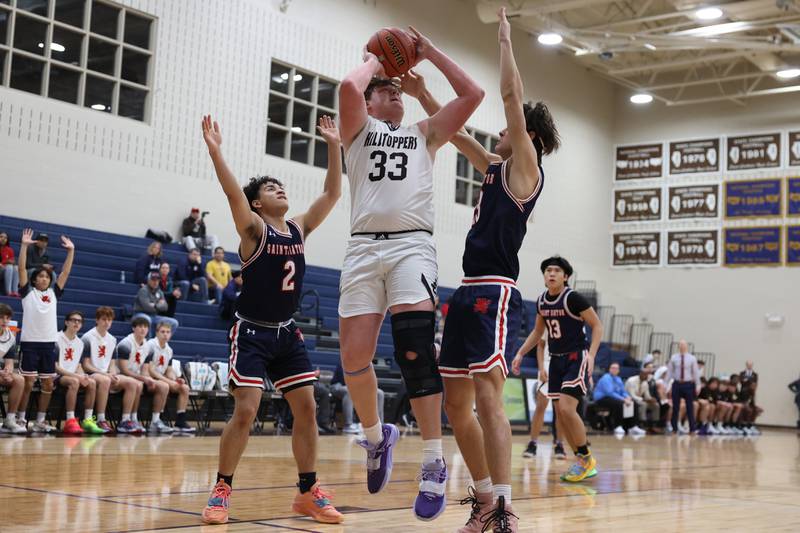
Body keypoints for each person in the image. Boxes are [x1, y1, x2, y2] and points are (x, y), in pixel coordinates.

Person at [338, 22, 483, 521]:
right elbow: (346, 88)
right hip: (362, 250)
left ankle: (433, 462)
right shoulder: (355, 133)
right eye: (383, 91)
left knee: (415, 350)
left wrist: (427, 52)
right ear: (371, 104)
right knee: (353, 359)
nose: (392, 93)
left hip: (411, 247)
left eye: (396, 89)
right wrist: (379, 58)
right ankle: (378, 438)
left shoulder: (426, 135)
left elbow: (473, 93)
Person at [200, 113, 343, 525]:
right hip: (251, 332)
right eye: (269, 188)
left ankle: (307, 492)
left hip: (286, 333)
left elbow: (332, 192)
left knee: (307, 409)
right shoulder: (253, 231)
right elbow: (232, 195)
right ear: (259, 203)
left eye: (281, 185)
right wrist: (216, 153)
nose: (279, 189)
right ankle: (222, 488)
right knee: (246, 410)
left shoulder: (298, 229)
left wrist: (333, 144)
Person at [512, 255, 604, 486]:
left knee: (565, 407)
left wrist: (591, 355)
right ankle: (582, 461)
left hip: (576, 357)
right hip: (556, 360)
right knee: (561, 413)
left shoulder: (573, 298)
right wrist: (521, 353)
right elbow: (537, 333)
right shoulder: (542, 301)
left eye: (556, 271)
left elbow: (597, 325)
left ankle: (585, 458)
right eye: (548, 270)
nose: (551, 274)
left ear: (566, 276)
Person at [16, 228, 75, 433]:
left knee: (48, 385)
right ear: (34, 280)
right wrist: (24, 246)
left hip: (49, 345)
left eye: (46, 277)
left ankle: (40, 421)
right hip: (30, 344)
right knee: (28, 382)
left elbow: (66, 272)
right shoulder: (27, 294)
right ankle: (21, 419)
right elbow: (22, 269)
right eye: (40, 276)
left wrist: (71, 252)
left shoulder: (53, 294)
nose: (43, 279)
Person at [81, 307, 144, 434]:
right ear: (97, 320)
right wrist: (106, 374)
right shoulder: (87, 337)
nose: (107, 322)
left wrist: (113, 373)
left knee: (132, 382)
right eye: (104, 319)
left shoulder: (112, 339)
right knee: (105, 380)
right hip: (91, 373)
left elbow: (112, 364)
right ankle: (101, 419)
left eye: (109, 320)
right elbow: (86, 365)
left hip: (106, 374)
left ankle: (125, 421)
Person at [116, 317, 173, 433]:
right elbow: (124, 370)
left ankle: (155, 421)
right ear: (133, 328)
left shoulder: (147, 347)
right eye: (140, 326)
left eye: (145, 327)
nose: (143, 329)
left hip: (136, 377)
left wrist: (149, 380)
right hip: (120, 376)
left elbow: (145, 370)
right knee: (137, 384)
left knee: (163, 386)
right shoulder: (126, 343)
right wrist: (144, 379)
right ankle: (126, 420)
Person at [55, 311, 106, 434]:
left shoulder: (80, 343)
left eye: (79, 321)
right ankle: (70, 420)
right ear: (66, 322)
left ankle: (87, 420)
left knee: (91, 382)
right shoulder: (56, 338)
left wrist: (83, 375)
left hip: (73, 375)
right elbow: (55, 367)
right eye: (73, 320)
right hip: (56, 376)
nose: (76, 323)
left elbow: (78, 366)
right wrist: (77, 376)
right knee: (74, 382)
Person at [145, 322, 195, 432]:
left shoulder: (169, 349)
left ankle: (180, 421)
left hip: (162, 379)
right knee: (165, 385)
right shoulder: (150, 345)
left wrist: (175, 379)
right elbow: (151, 370)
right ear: (157, 333)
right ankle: (156, 420)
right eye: (162, 332)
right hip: (149, 379)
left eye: (168, 332)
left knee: (184, 388)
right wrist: (168, 381)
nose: (165, 334)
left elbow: (168, 370)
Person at [521, 341, 566, 459]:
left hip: (564, 364)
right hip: (547, 363)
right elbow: (540, 345)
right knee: (541, 406)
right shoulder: (547, 322)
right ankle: (533, 443)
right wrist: (541, 368)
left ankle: (559, 444)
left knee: (560, 410)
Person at [329, 363, 385, 434]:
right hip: (339, 385)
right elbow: (344, 379)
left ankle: (379, 425)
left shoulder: (366, 362)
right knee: (349, 391)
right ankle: (348, 425)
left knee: (380, 393)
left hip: (357, 386)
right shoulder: (346, 359)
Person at [593, 363, 645, 436]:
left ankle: (633, 426)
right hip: (602, 398)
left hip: (614, 398)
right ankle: (618, 426)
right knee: (619, 404)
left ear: (618, 370)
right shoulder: (606, 378)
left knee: (634, 403)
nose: (614, 370)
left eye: (616, 368)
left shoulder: (618, 379)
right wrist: (623, 399)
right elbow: (609, 393)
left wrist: (627, 397)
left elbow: (623, 391)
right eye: (612, 368)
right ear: (609, 369)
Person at [0, 303, 27, 433]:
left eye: (7, 318)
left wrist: (8, 371)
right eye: (1, 317)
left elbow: (9, 361)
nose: (5, 321)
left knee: (19, 379)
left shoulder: (10, 336)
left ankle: (9, 420)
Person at [666, 340, 701, 433]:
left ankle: (692, 428)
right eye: (681, 345)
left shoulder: (692, 358)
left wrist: (698, 385)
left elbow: (696, 372)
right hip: (677, 383)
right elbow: (669, 372)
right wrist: (666, 384)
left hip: (688, 384)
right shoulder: (674, 357)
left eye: (684, 345)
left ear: (686, 346)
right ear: (679, 346)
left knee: (690, 406)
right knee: (675, 407)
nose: (682, 347)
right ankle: (674, 428)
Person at [625, 366, 658, 431]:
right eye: (645, 374)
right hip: (629, 399)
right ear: (641, 374)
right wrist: (644, 400)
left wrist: (651, 399)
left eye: (648, 375)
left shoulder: (645, 382)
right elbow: (632, 396)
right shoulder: (631, 381)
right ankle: (642, 424)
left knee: (656, 405)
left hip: (640, 400)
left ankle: (654, 425)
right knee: (644, 404)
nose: (647, 376)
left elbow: (647, 395)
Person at [0, 231, 20, 296]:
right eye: (1, 237)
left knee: (15, 267)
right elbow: (6, 262)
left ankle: (15, 291)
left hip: (5, 269)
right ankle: (8, 291)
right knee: (9, 267)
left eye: (5, 238)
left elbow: (12, 261)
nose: (3, 239)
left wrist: (13, 262)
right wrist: (6, 262)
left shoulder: (10, 250)